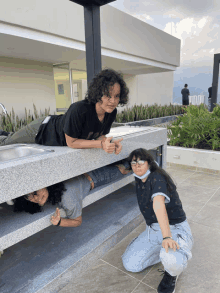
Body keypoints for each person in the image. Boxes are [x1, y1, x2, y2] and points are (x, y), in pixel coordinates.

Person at [0, 68, 129, 155]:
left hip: (50, 131)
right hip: (41, 129)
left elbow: (99, 135)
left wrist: (109, 143)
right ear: (98, 93)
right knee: (6, 143)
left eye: (116, 96)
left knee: (12, 136)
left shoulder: (111, 112)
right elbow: (71, 142)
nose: (113, 101)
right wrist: (101, 144)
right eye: (108, 95)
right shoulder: (79, 109)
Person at [121, 148, 193, 293]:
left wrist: (167, 236)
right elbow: (126, 167)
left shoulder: (157, 177)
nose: (137, 165)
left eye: (141, 161)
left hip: (174, 228)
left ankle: (171, 273)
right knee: (131, 264)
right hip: (154, 229)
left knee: (173, 261)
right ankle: (163, 252)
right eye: (134, 163)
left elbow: (158, 203)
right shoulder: (140, 177)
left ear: (150, 163)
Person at [13, 160, 132, 227]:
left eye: (35, 191)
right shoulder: (52, 185)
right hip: (86, 169)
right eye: (28, 196)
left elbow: (77, 221)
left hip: (97, 177)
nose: (35, 198)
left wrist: (60, 222)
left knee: (125, 168)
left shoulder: (67, 197)